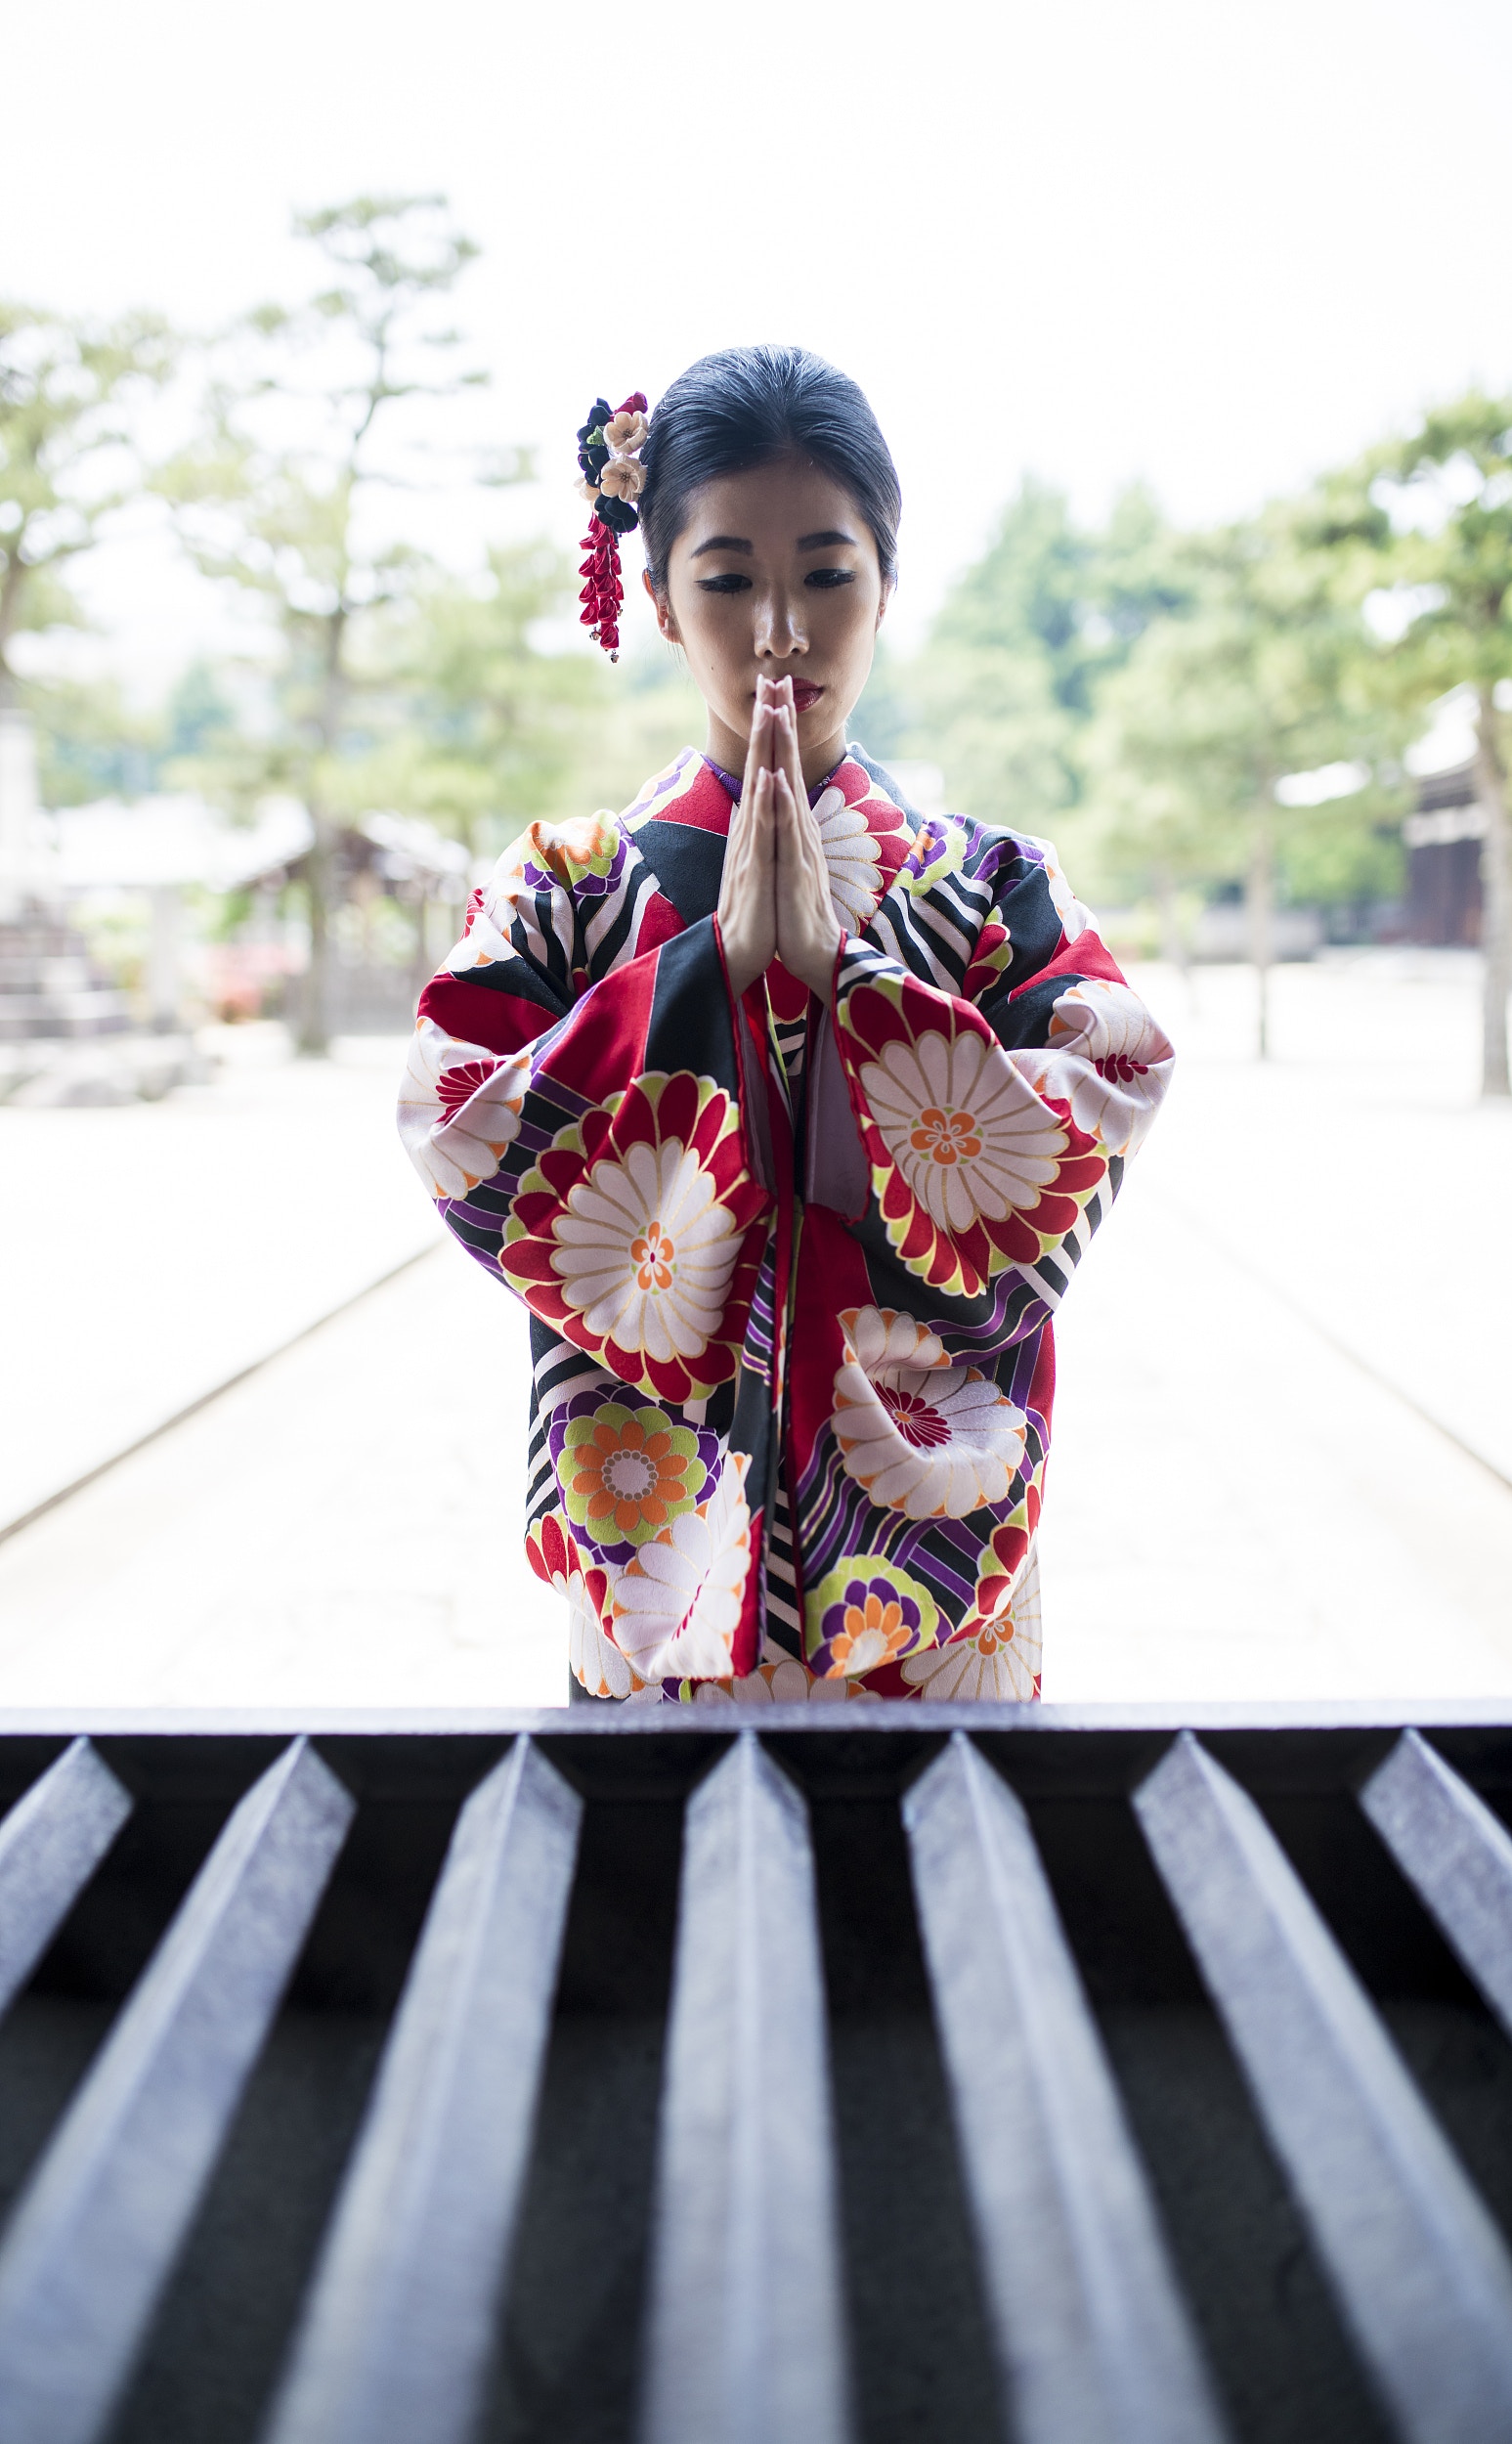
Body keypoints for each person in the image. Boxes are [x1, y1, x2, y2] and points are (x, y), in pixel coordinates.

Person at [398, 345, 1173, 1704]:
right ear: (653, 596)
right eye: (727, 580)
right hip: (659, 1553)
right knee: (661, 1902)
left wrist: (851, 988)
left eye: (826, 574)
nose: (779, 632)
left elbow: (1106, 1083)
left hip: (936, 1569)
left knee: (950, 1890)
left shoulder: (995, 887)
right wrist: (708, 972)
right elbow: (454, 1120)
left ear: (888, 580)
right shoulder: (568, 888)